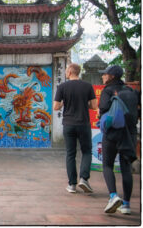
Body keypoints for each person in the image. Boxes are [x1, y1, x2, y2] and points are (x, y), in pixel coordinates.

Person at [98, 65, 139, 214]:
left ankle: (113, 196)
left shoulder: (108, 91)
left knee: (108, 165)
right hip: (130, 135)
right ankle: (126, 205)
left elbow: (102, 108)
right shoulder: (131, 91)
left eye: (105, 74)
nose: (103, 76)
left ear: (112, 76)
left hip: (112, 134)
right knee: (126, 168)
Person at [54, 63, 98, 194]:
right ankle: (84, 178)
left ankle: (72, 184)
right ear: (78, 72)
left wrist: (63, 103)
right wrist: (84, 103)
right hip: (83, 123)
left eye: (67, 71)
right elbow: (94, 105)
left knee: (70, 153)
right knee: (86, 151)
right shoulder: (87, 86)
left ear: (69, 72)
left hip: (68, 124)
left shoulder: (62, 87)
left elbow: (56, 107)